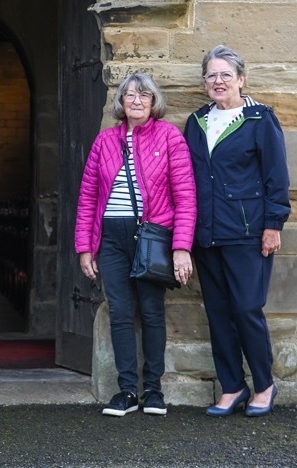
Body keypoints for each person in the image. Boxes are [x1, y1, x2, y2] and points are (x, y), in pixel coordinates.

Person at [75, 73, 196, 417]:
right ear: (121, 102)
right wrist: (85, 247)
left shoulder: (169, 136)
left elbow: (185, 197)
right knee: (121, 314)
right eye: (129, 95)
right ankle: (127, 390)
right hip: (111, 239)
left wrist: (181, 247)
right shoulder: (105, 142)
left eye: (144, 95)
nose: (137, 101)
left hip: (151, 237)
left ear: (154, 100)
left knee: (153, 313)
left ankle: (154, 390)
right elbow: (87, 198)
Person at [184, 45, 290, 417]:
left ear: (241, 79)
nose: (217, 81)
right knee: (217, 312)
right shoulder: (196, 121)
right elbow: (188, 180)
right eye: (211, 75)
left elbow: (276, 176)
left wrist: (273, 224)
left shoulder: (260, 119)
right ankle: (232, 387)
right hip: (207, 234)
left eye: (225, 75)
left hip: (247, 232)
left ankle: (264, 384)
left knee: (246, 309)